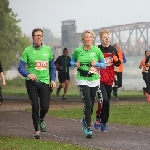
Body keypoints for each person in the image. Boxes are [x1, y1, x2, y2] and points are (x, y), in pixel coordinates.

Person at [18, 28, 56, 139]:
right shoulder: (27, 50)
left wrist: (53, 79)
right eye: (37, 35)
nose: (39, 37)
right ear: (33, 37)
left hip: (45, 82)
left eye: (40, 35)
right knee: (35, 106)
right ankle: (37, 130)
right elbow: (20, 67)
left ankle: (41, 118)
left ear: (42, 37)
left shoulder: (48, 50)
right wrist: (27, 74)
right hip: (32, 83)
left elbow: (52, 67)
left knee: (44, 107)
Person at [70, 30, 106, 138]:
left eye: (90, 37)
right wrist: (74, 63)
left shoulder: (97, 50)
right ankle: (87, 127)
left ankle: (84, 120)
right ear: (83, 39)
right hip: (82, 79)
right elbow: (71, 61)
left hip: (94, 79)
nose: (89, 39)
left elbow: (104, 65)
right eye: (86, 37)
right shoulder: (78, 51)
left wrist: (96, 64)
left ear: (93, 38)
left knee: (91, 104)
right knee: (88, 103)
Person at [94, 30, 121, 132]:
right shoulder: (97, 49)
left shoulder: (113, 50)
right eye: (104, 38)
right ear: (101, 39)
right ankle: (98, 118)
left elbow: (118, 64)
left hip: (109, 79)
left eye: (108, 37)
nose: (106, 39)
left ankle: (104, 122)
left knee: (107, 101)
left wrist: (115, 60)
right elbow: (92, 62)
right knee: (103, 99)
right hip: (99, 79)